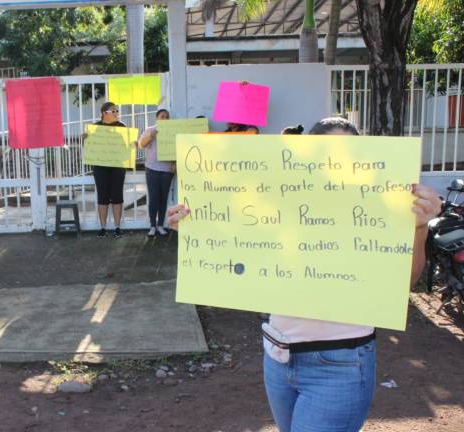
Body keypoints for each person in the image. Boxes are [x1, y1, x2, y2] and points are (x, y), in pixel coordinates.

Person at [166, 117, 442, 432]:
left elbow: (404, 283)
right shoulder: (281, 202)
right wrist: (193, 227)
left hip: (341, 364)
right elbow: (238, 254)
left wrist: (419, 228)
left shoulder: (380, 208)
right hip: (278, 357)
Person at [84, 102, 130, 238]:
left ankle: (117, 227)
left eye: (117, 111)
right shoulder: (95, 128)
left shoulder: (121, 127)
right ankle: (103, 228)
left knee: (117, 197)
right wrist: (85, 139)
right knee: (102, 197)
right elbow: (89, 148)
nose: (116, 113)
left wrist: (132, 143)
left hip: (118, 166)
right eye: (113, 111)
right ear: (104, 113)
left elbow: (127, 146)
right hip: (100, 167)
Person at [138, 108, 174, 237]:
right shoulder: (150, 130)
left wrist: (174, 164)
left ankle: (160, 226)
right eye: (162, 116)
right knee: (153, 198)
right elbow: (141, 145)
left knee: (163, 199)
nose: (165, 119)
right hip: (152, 169)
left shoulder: (172, 131)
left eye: (167, 117)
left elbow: (176, 148)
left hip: (167, 170)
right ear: (157, 118)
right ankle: (152, 226)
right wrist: (150, 137)